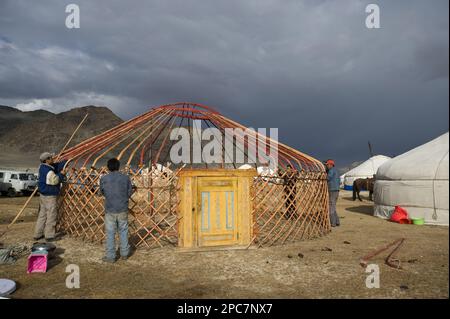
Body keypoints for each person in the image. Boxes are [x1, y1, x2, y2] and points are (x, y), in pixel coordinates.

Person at [99, 158, 133, 263]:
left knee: (110, 233)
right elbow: (129, 192)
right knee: (123, 231)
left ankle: (111, 256)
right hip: (122, 208)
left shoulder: (104, 178)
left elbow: (102, 192)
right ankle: (124, 254)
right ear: (118, 166)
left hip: (110, 209)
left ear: (108, 167)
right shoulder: (126, 178)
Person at [34, 152, 67, 241]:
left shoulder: (42, 167)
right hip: (49, 195)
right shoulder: (48, 171)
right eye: (51, 158)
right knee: (51, 214)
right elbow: (55, 181)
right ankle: (49, 235)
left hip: (43, 195)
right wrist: (62, 174)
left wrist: (65, 161)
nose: (53, 159)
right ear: (47, 160)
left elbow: (55, 166)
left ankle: (38, 234)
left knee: (42, 214)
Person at [325, 159, 340, 227]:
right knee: (333, 206)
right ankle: (337, 221)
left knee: (331, 206)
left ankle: (333, 223)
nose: (326, 166)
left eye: (327, 165)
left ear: (331, 165)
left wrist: (323, 177)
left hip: (332, 190)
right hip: (336, 190)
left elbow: (328, 178)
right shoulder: (336, 171)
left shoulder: (331, 170)